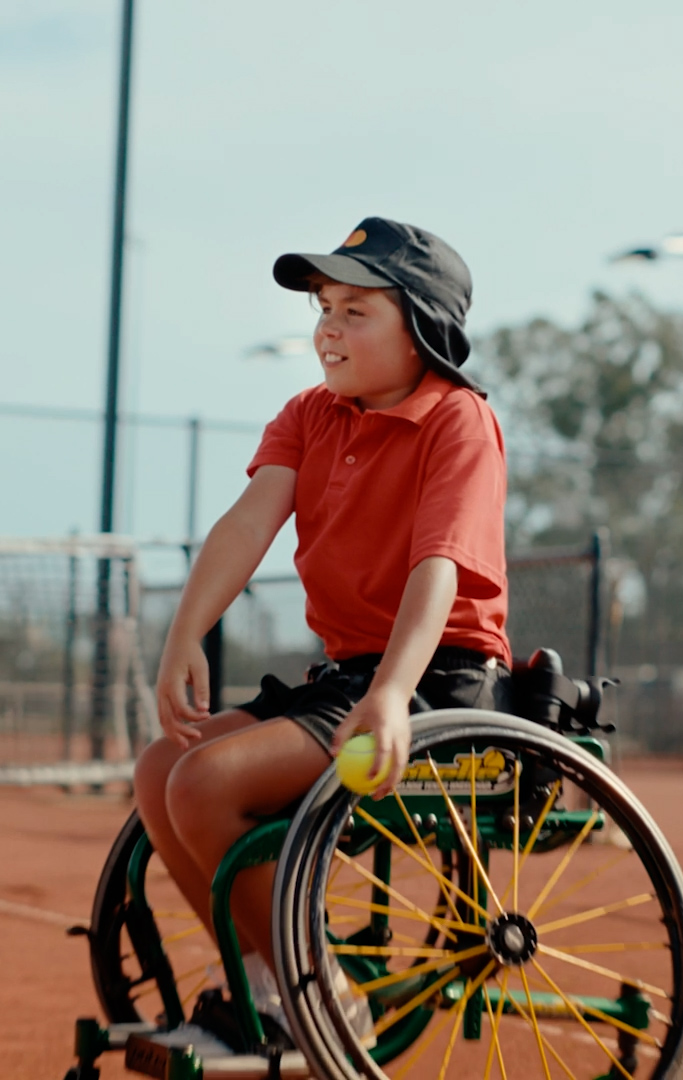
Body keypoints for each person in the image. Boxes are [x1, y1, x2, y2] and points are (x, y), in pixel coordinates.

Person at [134, 217, 510, 1053]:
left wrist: (388, 695)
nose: (327, 329)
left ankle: (319, 997)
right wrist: (183, 633)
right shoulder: (311, 414)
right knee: (162, 765)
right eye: (323, 308)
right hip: (350, 675)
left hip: (436, 680)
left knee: (201, 785)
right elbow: (246, 523)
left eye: (355, 311)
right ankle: (267, 984)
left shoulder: (457, 420)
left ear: (422, 327)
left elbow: (438, 566)